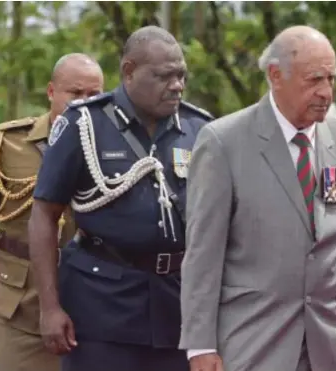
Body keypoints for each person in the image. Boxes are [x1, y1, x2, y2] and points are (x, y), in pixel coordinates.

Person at [180, 25, 336, 371]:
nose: (326, 92)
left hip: (334, 341)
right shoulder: (223, 142)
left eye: (332, 79)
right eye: (314, 80)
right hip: (254, 338)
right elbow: (203, 252)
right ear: (275, 75)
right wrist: (199, 344)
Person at [28, 26, 213, 371]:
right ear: (129, 72)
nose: (177, 85)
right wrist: (49, 307)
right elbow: (44, 215)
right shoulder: (84, 124)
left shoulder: (198, 129)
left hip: (177, 310)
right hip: (101, 308)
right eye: (164, 76)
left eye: (181, 76)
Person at [0, 53, 104, 371]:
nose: (83, 103)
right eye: (75, 93)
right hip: (20, 306)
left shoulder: (113, 150)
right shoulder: (9, 143)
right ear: (51, 92)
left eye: (94, 96)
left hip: (89, 303)